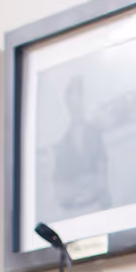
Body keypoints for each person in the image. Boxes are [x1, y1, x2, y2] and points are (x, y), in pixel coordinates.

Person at [51, 74, 109, 217]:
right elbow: (59, 181)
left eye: (78, 98)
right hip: (75, 210)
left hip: (98, 205)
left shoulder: (96, 132)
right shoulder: (63, 143)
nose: (75, 104)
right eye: (70, 101)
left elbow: (103, 167)